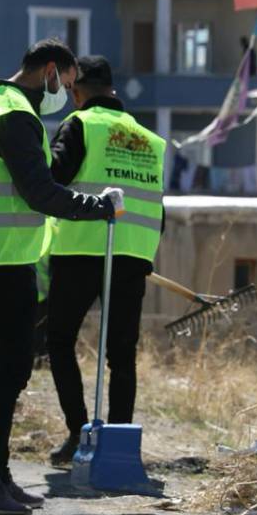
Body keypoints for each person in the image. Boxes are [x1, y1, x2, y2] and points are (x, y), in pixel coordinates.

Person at [0, 38, 119, 515]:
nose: (66, 93)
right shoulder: (15, 116)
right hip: (3, 262)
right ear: (49, 71)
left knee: (8, 369)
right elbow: (40, 192)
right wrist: (99, 206)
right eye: (66, 82)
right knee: (10, 371)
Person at [44, 56, 165, 465]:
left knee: (60, 340)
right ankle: (117, 447)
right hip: (132, 253)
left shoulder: (80, 125)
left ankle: (78, 434)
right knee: (122, 353)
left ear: (76, 91)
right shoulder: (150, 139)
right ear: (112, 90)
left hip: (81, 248)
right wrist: (144, 255)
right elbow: (157, 207)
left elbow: (52, 180)